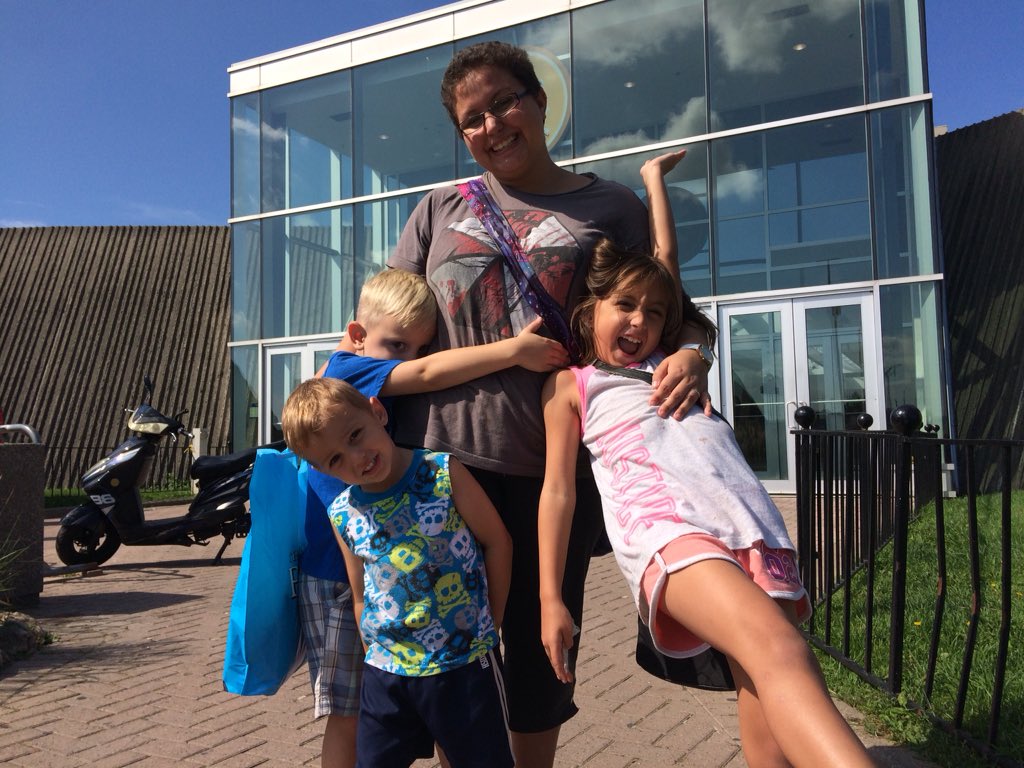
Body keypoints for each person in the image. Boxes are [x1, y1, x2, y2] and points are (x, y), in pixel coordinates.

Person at [386, 40, 713, 766]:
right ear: (461, 134)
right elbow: (384, 334)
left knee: (540, 654)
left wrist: (695, 349)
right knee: (454, 652)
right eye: (473, 118)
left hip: (552, 470)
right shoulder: (438, 209)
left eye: (505, 102)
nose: (493, 124)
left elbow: (663, 309)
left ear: (538, 103)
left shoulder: (609, 205)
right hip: (441, 466)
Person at [536, 156, 875, 768]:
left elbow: (666, 259)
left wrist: (653, 183)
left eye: (656, 312)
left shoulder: (673, 358)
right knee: (782, 651)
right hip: (669, 530)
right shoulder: (572, 384)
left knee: (759, 673)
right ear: (590, 311)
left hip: (749, 522)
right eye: (624, 305)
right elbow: (557, 491)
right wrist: (549, 598)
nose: (640, 319)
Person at [298, 267, 564, 768]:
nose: (408, 362)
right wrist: (514, 351)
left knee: (384, 714)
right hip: (343, 571)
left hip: (383, 579)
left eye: (417, 349)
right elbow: (426, 375)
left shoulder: (352, 369)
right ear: (357, 336)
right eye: (397, 345)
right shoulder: (349, 373)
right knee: (348, 712)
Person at [281, 377, 515, 768]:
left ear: (377, 412)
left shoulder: (441, 473)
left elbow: (497, 542)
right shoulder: (344, 514)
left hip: (464, 665)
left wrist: (494, 618)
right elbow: (359, 594)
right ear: (324, 470)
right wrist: (373, 649)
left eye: (355, 435)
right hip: (388, 676)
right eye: (336, 459)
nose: (356, 457)